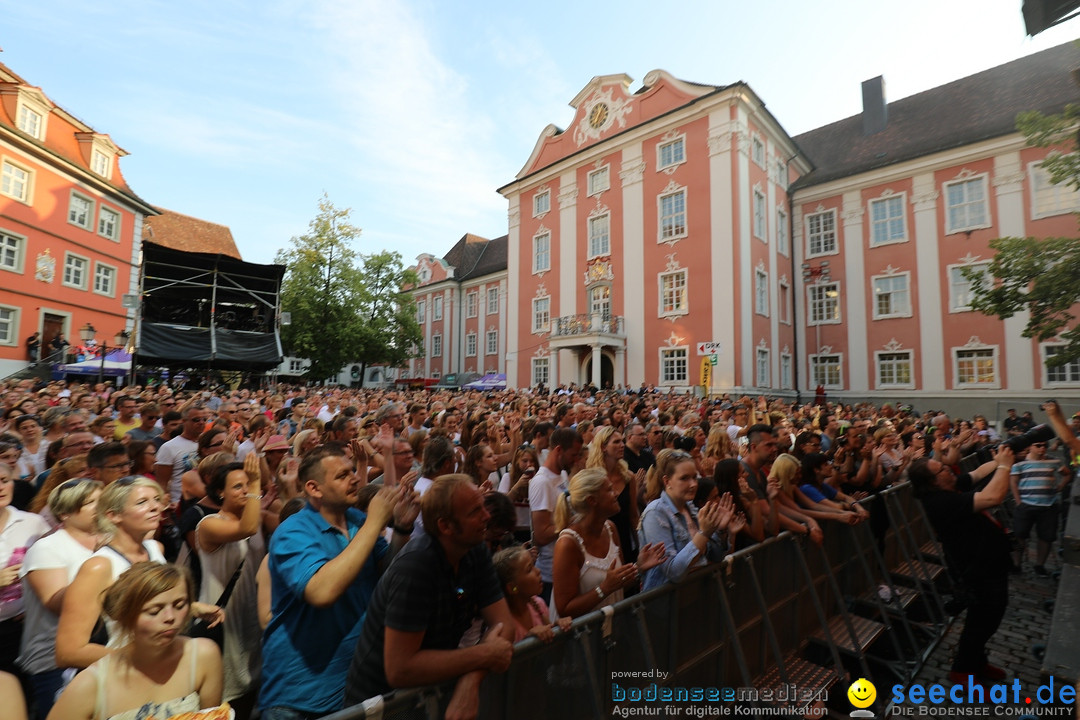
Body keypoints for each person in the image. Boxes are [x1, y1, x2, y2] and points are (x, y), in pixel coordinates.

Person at [259, 445, 418, 719]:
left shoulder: (356, 519)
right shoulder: (292, 531)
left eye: (352, 471)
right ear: (314, 488)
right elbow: (322, 592)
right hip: (300, 698)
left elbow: (387, 574)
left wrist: (401, 528)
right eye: (343, 475)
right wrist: (376, 522)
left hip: (356, 686)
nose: (355, 478)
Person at [343, 475, 515, 717]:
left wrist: (470, 681)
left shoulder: (474, 550)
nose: (487, 516)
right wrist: (484, 653)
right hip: (381, 707)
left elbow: (504, 626)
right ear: (445, 526)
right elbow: (400, 669)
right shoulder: (416, 566)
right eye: (475, 511)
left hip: (424, 701)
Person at [55, 477, 222, 669]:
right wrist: (143, 660)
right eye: (142, 502)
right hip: (120, 678)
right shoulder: (99, 567)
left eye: (156, 499)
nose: (155, 507)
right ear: (113, 515)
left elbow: (143, 604)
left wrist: (193, 607)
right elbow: (68, 653)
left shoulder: (154, 549)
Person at [47, 562, 224, 720]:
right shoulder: (89, 685)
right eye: (154, 611)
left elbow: (214, 715)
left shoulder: (203, 656)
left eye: (180, 605)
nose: (170, 617)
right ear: (126, 616)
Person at [909, 445, 1015, 686]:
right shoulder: (939, 501)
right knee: (983, 621)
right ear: (933, 482)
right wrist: (1005, 466)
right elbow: (993, 497)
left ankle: (976, 662)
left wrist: (1000, 458)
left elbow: (978, 473)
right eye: (942, 469)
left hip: (989, 563)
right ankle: (963, 672)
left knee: (988, 617)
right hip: (977, 568)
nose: (948, 468)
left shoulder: (951, 484)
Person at [18, 478, 103, 717]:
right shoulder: (48, 548)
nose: (102, 507)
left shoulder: (112, 543)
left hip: (101, 650)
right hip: (55, 662)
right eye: (91, 503)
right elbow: (56, 603)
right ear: (65, 512)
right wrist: (98, 572)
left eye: (103, 500)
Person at [195, 456, 265, 719]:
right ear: (219, 492)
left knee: (250, 690)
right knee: (225, 697)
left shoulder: (257, 516)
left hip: (250, 620)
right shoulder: (210, 524)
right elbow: (245, 527)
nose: (246, 490)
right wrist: (257, 483)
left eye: (248, 483)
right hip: (221, 620)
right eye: (238, 486)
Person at [550, 468, 664, 619]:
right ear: (592, 500)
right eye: (610, 490)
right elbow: (564, 609)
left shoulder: (610, 528)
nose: (616, 493)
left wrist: (639, 568)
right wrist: (604, 588)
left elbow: (619, 585)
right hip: (580, 637)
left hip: (610, 629)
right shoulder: (568, 544)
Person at [639, 450, 739, 591]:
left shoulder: (691, 508)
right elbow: (674, 572)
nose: (693, 484)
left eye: (694, 477)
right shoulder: (655, 513)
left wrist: (721, 530)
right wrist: (703, 534)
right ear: (667, 481)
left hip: (697, 597)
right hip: (667, 603)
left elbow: (715, 556)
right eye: (684, 478)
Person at [0, 461, 51, 676]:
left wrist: (33, 603)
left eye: (4, 480)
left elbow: (55, 567)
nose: (1, 487)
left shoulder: (33, 523)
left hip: (25, 628)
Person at [530, 427, 582, 602]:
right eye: (573, 455)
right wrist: (575, 524)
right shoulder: (541, 482)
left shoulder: (562, 475)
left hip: (566, 566)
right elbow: (542, 534)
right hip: (550, 575)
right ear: (559, 450)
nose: (576, 460)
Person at [1010, 438, 1068, 576]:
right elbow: (1013, 483)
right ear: (1030, 447)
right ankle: (1016, 564)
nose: (1042, 448)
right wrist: (1019, 502)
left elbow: (1067, 474)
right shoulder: (1020, 463)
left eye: (1045, 445)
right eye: (1038, 446)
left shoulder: (1054, 461)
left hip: (1048, 505)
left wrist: (1060, 487)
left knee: (1046, 537)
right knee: (1019, 535)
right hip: (1026, 504)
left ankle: (1040, 565)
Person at [492, 545, 572, 643]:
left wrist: (558, 627)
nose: (538, 571)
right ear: (513, 587)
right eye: (529, 570)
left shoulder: (538, 603)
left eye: (534, 565)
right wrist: (527, 640)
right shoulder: (504, 627)